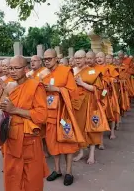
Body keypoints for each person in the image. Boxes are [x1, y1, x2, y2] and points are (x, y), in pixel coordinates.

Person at [0, 55, 49, 191]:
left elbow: (42, 116)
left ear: (26, 69)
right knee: (12, 176)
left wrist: (15, 110)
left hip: (29, 140)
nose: (12, 71)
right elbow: (2, 108)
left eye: (16, 68)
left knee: (31, 178)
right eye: (10, 68)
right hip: (11, 137)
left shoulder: (35, 86)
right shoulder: (9, 86)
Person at [41, 49, 83, 186]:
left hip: (64, 115)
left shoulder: (65, 71)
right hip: (50, 115)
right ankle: (57, 170)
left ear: (56, 59)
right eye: (45, 59)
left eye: (49, 59)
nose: (47, 61)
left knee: (67, 142)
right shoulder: (43, 74)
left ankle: (69, 172)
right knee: (52, 143)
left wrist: (57, 89)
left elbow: (73, 92)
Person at [72, 50, 109, 164]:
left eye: (80, 58)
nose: (78, 60)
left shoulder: (93, 72)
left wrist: (82, 84)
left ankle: (91, 154)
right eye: (76, 58)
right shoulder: (72, 71)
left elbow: (98, 89)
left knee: (90, 128)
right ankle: (81, 152)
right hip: (76, 104)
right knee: (78, 128)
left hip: (89, 104)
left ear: (85, 59)